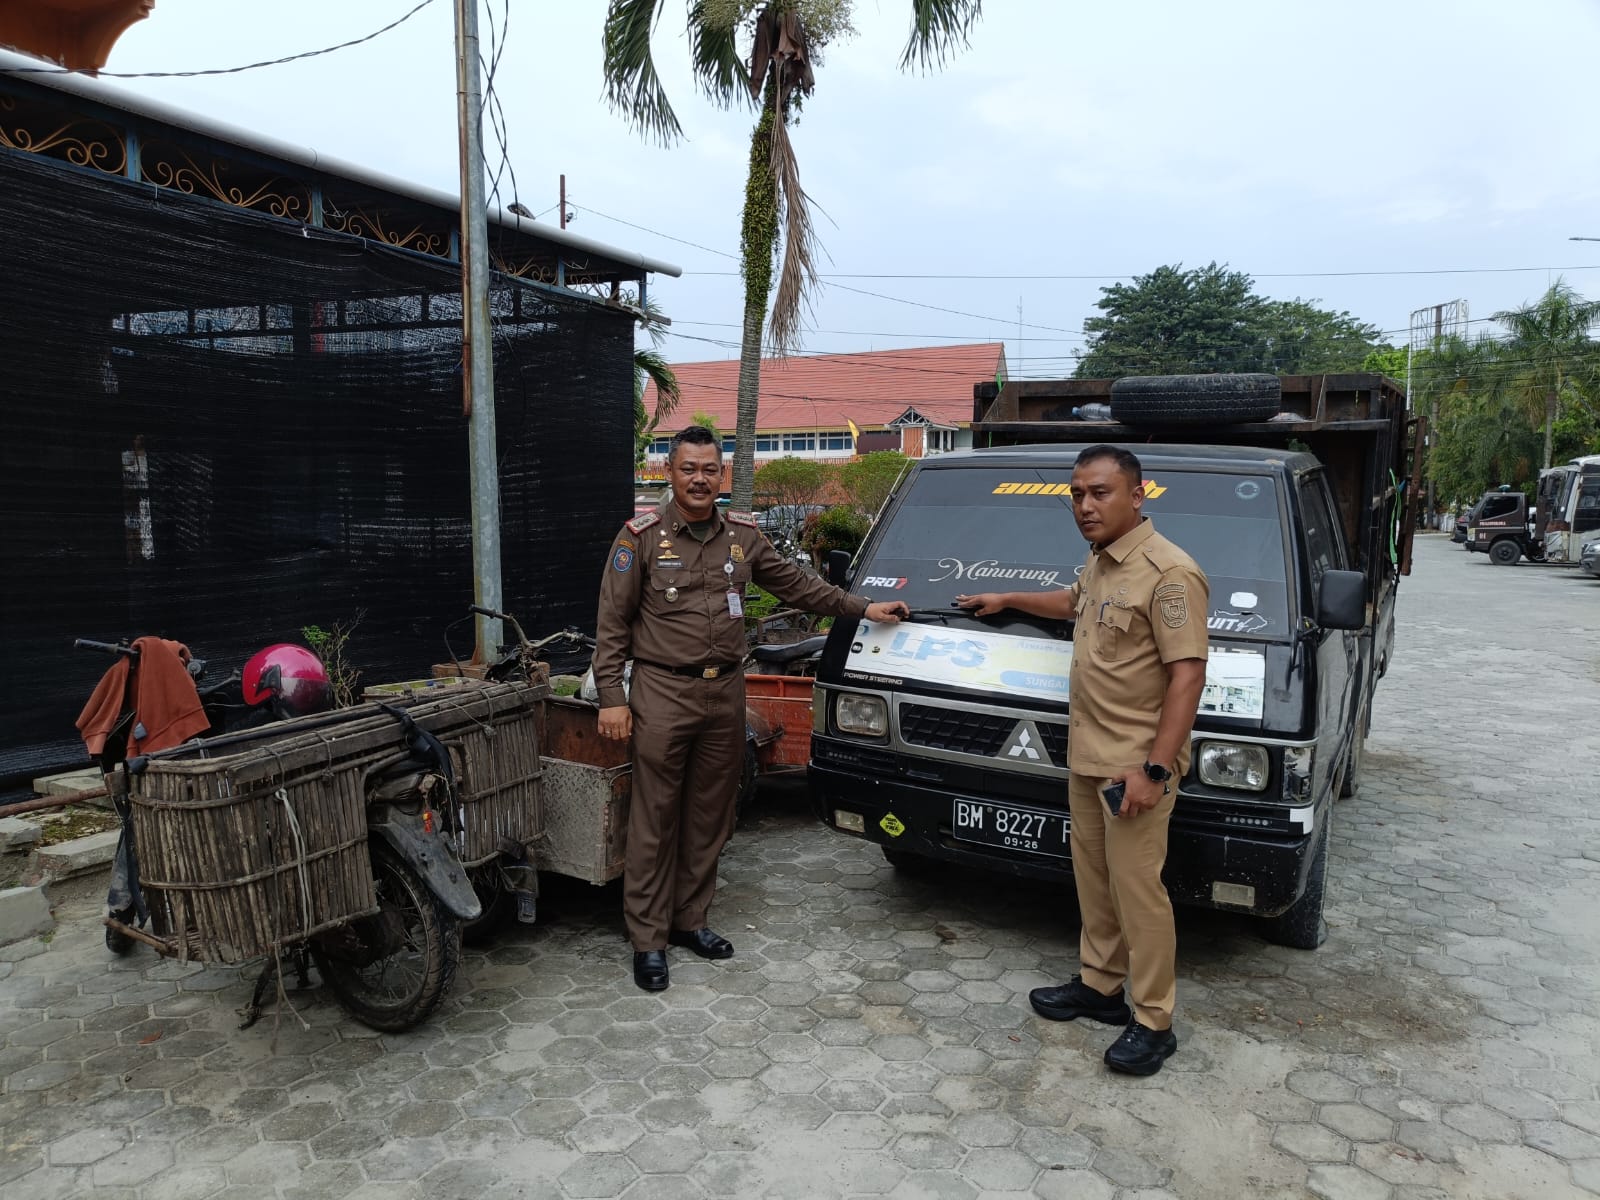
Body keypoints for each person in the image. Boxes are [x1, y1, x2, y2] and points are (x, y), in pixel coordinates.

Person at [594, 426, 909, 992]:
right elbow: (612, 627)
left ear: (723, 475)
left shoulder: (741, 537)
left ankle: (691, 921)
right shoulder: (638, 537)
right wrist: (613, 699)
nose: (698, 478)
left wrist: (864, 608)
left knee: (712, 815)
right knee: (654, 818)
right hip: (663, 693)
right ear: (671, 473)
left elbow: (800, 587)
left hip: (725, 695)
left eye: (708, 469)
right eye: (688, 468)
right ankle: (647, 939)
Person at [956, 444, 1207, 1076]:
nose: (1086, 505)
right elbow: (1072, 602)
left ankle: (1153, 1021)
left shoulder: (1170, 572)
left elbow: (1187, 679)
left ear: (1136, 495)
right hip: (1088, 755)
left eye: (1100, 492)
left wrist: (1154, 770)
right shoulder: (1102, 562)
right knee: (1095, 882)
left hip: (1133, 768)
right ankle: (1099, 988)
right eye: (1077, 493)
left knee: (1138, 894)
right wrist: (1006, 599)